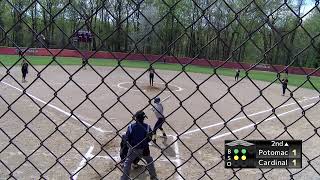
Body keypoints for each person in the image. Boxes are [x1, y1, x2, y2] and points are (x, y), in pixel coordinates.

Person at [121, 110, 157, 180]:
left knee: (128, 162)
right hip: (144, 149)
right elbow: (149, 139)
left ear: (136, 118)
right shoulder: (147, 127)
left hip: (133, 148)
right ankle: (153, 177)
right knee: (149, 161)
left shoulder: (131, 127)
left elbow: (127, 138)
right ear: (143, 118)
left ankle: (124, 178)